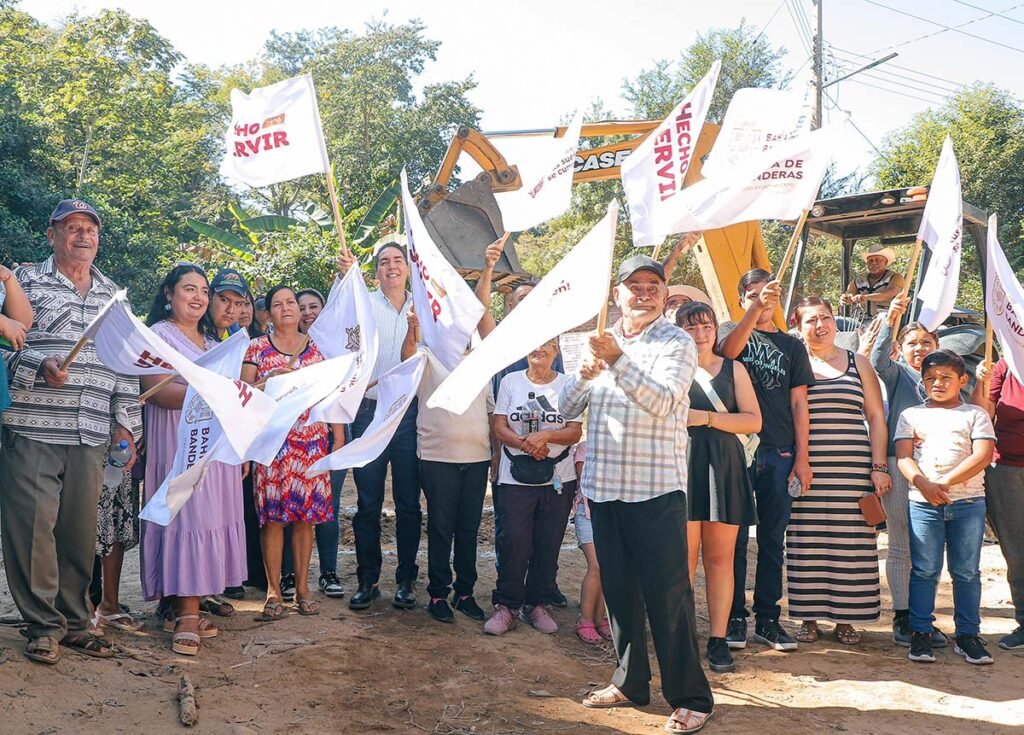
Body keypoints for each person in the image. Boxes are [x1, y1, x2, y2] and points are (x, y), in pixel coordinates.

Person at [562, 255, 714, 735]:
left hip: (655, 491)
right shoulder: (599, 341)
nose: (643, 292)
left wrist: (616, 360)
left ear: (665, 296)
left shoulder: (677, 341)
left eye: (653, 285)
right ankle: (630, 682)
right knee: (620, 594)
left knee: (668, 597)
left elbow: (664, 400)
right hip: (604, 489)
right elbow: (566, 409)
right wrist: (586, 372)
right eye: (633, 285)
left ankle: (691, 697)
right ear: (617, 294)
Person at [0, 199, 139, 664]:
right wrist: (38, 364)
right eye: (72, 227)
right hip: (34, 424)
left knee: (80, 532)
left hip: (91, 430)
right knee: (33, 530)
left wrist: (126, 425)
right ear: (51, 234)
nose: (83, 235)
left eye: (90, 228)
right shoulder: (24, 281)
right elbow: (1, 346)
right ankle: (43, 625)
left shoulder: (113, 294)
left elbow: (125, 365)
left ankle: (76, 622)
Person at [139, 264, 248, 654]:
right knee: (188, 515)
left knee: (210, 516)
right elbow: (157, 393)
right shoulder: (157, 337)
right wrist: (213, 392)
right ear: (169, 294)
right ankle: (185, 612)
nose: (199, 297)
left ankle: (191, 600)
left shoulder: (212, 342)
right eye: (190, 289)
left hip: (215, 448)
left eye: (204, 290)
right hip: (178, 444)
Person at [718, 268, 814, 652]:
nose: (761, 300)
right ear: (741, 298)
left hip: (779, 451)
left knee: (774, 539)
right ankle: (734, 617)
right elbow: (729, 352)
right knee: (734, 538)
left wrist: (803, 457)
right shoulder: (730, 330)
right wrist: (752, 313)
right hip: (736, 450)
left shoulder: (792, 346)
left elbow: (799, 404)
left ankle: (768, 619)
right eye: (752, 294)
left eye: (768, 294)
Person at [787, 297, 890, 645]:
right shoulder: (794, 362)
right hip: (807, 469)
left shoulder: (858, 363)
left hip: (854, 469)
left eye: (826, 318)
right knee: (806, 542)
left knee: (853, 544)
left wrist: (878, 466)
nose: (820, 325)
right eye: (811, 320)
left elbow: (876, 416)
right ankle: (808, 617)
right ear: (798, 327)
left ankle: (849, 618)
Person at [475, 239, 568, 609]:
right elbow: (479, 309)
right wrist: (487, 267)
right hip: (510, 450)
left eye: (532, 299)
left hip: (554, 453)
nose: (525, 305)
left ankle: (543, 588)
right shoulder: (500, 342)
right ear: (508, 307)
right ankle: (509, 592)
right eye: (518, 301)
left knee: (549, 529)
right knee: (511, 531)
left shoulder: (555, 344)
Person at [242, 285, 344, 619]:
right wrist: (269, 379)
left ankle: (302, 588)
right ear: (267, 313)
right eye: (277, 304)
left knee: (305, 519)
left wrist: (338, 437)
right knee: (272, 519)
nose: (286, 308)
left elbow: (331, 397)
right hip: (271, 444)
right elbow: (242, 396)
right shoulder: (255, 348)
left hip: (311, 442)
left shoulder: (317, 348)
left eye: (291, 303)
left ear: (300, 311)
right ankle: (273, 591)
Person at [896, 350, 996, 665]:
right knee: (924, 570)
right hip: (923, 504)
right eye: (930, 379)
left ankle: (967, 635)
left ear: (962, 380)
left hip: (967, 503)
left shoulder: (975, 414)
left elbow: (982, 454)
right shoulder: (910, 415)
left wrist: (946, 483)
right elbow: (903, 457)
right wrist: (923, 484)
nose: (937, 384)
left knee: (966, 571)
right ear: (922, 382)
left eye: (945, 378)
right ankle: (921, 631)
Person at [676, 301, 760, 672]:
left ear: (715, 329)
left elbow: (753, 420)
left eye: (706, 326)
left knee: (720, 560)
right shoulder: (671, 370)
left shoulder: (733, 368)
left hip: (724, 468)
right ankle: (679, 636)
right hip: (681, 468)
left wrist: (706, 418)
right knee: (681, 561)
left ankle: (718, 638)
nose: (699, 334)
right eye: (691, 328)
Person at [338, 244, 422, 611]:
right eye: (384, 262)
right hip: (368, 413)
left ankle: (406, 580)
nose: (391, 267)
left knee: (408, 504)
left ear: (408, 268)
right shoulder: (365, 303)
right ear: (375, 272)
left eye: (397, 261)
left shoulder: (423, 308)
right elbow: (342, 322)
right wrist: (345, 280)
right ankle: (367, 580)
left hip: (408, 414)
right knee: (368, 503)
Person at [485, 338, 581, 635]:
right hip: (515, 475)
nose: (539, 349)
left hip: (557, 477)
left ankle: (537, 604)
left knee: (547, 541)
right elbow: (500, 426)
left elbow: (574, 431)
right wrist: (526, 444)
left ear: (557, 350)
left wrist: (547, 438)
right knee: (513, 540)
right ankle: (507, 605)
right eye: (533, 343)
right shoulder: (510, 382)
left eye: (547, 344)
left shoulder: (569, 384)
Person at [402, 311, 493, 624]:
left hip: (477, 458)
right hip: (437, 458)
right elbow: (406, 359)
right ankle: (438, 593)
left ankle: (465, 593)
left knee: (468, 529)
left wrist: (494, 456)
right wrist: (413, 328)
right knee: (441, 528)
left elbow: (491, 412)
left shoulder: (482, 362)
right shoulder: (428, 357)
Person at [870, 296, 949, 647]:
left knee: (930, 548)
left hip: (937, 471)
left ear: (937, 347)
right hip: (897, 467)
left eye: (927, 343)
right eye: (913, 343)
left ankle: (923, 617)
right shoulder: (895, 374)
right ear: (901, 349)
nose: (920, 349)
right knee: (901, 543)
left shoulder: (945, 380)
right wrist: (891, 321)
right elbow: (876, 360)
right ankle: (903, 615)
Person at [280, 285, 346, 599]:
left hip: (327, 435)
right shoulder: (280, 345)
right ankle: (290, 576)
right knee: (293, 505)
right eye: (301, 306)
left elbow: (336, 394)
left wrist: (340, 435)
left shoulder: (331, 346)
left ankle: (329, 572)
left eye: (313, 306)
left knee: (326, 507)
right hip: (290, 441)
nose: (307, 312)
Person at [972, 358, 1024, 651]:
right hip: (1007, 471)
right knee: (1017, 553)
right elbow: (982, 415)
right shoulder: (1005, 366)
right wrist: (982, 380)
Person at [570, 441, 611, 645]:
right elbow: (587, 480)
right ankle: (584, 619)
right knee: (596, 566)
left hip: (609, 516)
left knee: (608, 568)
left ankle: (600, 618)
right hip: (587, 516)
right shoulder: (585, 448)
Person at [839, 244, 904, 323]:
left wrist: (865, 297)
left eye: (878, 260)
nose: (874, 263)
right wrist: (846, 298)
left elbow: (889, 294)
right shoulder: (858, 281)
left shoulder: (895, 277)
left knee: (882, 316)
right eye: (870, 260)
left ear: (885, 262)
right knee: (837, 321)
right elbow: (850, 294)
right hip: (860, 322)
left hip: (886, 321)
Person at [208, 268, 250, 340]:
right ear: (210, 296)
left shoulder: (238, 339)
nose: (230, 310)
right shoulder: (191, 330)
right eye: (224, 300)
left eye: (238, 304)